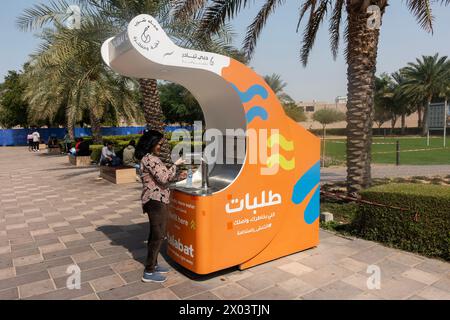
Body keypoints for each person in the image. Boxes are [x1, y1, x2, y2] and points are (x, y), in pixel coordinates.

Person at [135, 130, 187, 283]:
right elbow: (164, 179)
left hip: (158, 199)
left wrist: (177, 175)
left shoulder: (151, 158)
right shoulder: (150, 159)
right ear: (151, 143)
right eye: (158, 144)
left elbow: (161, 178)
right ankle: (149, 271)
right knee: (158, 235)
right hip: (155, 200)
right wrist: (176, 165)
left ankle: (154, 265)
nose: (160, 146)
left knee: (156, 233)